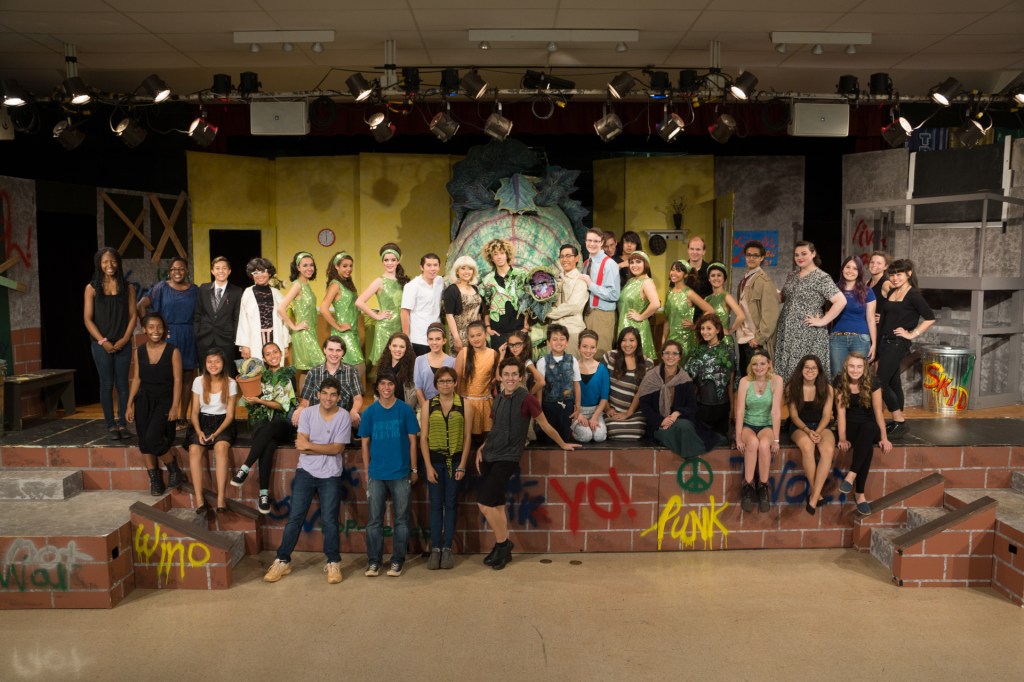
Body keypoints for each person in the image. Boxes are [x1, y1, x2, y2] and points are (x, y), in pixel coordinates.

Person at [476, 357, 580, 570]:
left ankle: (504, 544)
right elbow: (496, 427)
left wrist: (562, 444)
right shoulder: (499, 397)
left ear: (520, 376)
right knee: (497, 505)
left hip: (507, 457)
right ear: (501, 377)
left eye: (514, 374)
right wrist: (482, 447)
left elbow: (545, 425)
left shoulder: (527, 399)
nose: (510, 378)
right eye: (506, 374)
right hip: (489, 454)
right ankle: (501, 547)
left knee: (484, 504)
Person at [263, 377, 351, 585]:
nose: (328, 398)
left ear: (338, 397)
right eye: (325, 393)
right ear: (318, 394)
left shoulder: (343, 416)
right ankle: (282, 560)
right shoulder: (308, 413)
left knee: (329, 520)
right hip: (306, 471)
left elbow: (337, 449)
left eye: (333, 395)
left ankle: (333, 562)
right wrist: (323, 448)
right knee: (295, 517)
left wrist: (311, 446)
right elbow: (300, 445)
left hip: (330, 474)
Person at [359, 373, 420, 578]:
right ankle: (374, 562)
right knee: (374, 521)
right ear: (377, 387)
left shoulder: (405, 410)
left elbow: (413, 442)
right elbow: (365, 444)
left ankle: (397, 560)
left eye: (390, 384)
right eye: (383, 384)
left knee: (401, 520)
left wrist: (414, 469)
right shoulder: (369, 412)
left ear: (395, 386)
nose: (386, 387)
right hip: (376, 474)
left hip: (400, 473)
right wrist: (367, 471)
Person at [231, 342, 296, 514]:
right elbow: (250, 396)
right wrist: (249, 396)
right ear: (264, 358)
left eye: (275, 352)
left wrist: (260, 401)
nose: (273, 356)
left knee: (271, 426)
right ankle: (264, 494)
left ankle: (245, 468)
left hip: (282, 424)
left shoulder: (288, 376)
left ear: (281, 354)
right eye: (268, 354)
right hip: (264, 424)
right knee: (268, 443)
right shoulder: (260, 376)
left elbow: (282, 406)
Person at [125, 313, 185, 496]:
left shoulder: (173, 351)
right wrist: (129, 404)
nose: (156, 331)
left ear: (164, 329)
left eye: (159, 327)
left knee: (152, 438)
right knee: (144, 442)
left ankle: (174, 469)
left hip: (165, 401)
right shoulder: (139, 351)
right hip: (143, 400)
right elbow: (136, 379)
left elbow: (178, 381)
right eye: (151, 327)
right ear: (144, 329)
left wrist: (175, 406)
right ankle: (155, 479)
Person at [419, 366, 473, 570]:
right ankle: (435, 548)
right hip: (434, 462)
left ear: (455, 383)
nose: (446, 384)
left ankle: (447, 548)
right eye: (442, 381)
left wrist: (462, 465)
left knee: (450, 504)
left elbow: (467, 437)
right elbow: (423, 437)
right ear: (436, 384)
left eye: (449, 380)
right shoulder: (428, 405)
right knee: (435, 505)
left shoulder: (465, 405)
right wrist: (428, 466)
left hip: (455, 462)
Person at [877, 259, 935, 438]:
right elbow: (887, 316)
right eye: (892, 275)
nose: (895, 278)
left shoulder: (913, 295)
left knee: (877, 383)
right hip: (884, 342)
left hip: (897, 343)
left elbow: (930, 317)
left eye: (899, 274)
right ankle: (897, 423)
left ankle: (900, 421)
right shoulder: (892, 291)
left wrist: (912, 334)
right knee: (893, 382)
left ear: (909, 273)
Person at [84, 247, 137, 440]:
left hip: (123, 343)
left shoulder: (128, 287)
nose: (110, 265)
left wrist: (125, 339)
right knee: (106, 384)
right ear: (99, 264)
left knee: (122, 384)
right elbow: (87, 319)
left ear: (118, 263)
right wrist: (102, 341)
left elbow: (133, 316)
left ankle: (122, 424)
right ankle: (110, 425)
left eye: (113, 261)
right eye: (105, 262)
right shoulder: (91, 288)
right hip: (101, 344)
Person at [773, 240, 847, 381]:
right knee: (786, 369)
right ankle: (787, 395)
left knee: (806, 369)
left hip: (807, 332)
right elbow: (783, 298)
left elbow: (841, 301)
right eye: (796, 255)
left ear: (813, 254)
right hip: (787, 330)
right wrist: (768, 289)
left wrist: (823, 321)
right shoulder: (792, 275)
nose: (799, 257)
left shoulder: (821, 277)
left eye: (804, 254)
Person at [138, 256, 199, 425]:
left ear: (187, 271)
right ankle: (166, 414)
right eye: (174, 269)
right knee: (167, 376)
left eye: (181, 268)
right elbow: (140, 305)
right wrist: (148, 327)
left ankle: (182, 417)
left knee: (187, 376)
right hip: (169, 335)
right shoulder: (161, 287)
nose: (177, 272)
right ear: (169, 272)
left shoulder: (195, 290)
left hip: (188, 335)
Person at [638, 339, 719, 459]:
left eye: (675, 353)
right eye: (667, 353)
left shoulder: (685, 379)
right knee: (677, 433)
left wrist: (676, 414)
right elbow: (644, 405)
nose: (670, 356)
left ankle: (689, 452)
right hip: (658, 424)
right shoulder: (651, 377)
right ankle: (691, 454)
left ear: (679, 357)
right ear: (662, 356)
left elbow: (692, 406)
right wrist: (661, 421)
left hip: (679, 421)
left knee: (684, 426)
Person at [835, 353, 893, 516]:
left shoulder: (873, 382)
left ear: (865, 368)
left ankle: (851, 475)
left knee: (868, 429)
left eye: (859, 366)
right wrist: (842, 438)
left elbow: (878, 413)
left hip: (870, 426)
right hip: (850, 427)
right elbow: (841, 413)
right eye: (852, 366)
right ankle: (860, 494)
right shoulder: (839, 381)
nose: (855, 370)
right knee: (866, 448)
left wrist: (884, 438)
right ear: (846, 367)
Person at [184, 347, 238, 514]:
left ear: (223, 363)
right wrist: (199, 431)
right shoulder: (198, 381)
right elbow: (194, 413)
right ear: (205, 364)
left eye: (217, 361)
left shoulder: (231, 383)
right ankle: (199, 499)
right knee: (194, 449)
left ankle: (221, 498)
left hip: (223, 423)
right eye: (209, 362)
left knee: (221, 448)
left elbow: (230, 415)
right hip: (202, 422)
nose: (213, 365)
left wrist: (216, 434)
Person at [785, 355, 836, 515]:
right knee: (807, 446)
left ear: (819, 371)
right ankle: (816, 493)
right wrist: (808, 431)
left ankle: (813, 497)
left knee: (828, 450)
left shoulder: (827, 388)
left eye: (814, 368)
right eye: (807, 367)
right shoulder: (792, 387)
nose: (810, 371)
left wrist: (817, 432)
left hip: (821, 426)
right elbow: (794, 416)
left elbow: (826, 416)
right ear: (801, 369)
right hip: (800, 426)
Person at [735, 349, 784, 514]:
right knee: (753, 443)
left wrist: (776, 440)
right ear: (750, 366)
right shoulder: (745, 382)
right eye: (755, 364)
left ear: (769, 364)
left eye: (762, 363)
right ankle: (748, 486)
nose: (759, 367)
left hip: (766, 425)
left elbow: (776, 412)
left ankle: (763, 487)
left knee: (764, 445)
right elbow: (740, 411)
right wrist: (738, 438)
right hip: (748, 424)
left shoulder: (776, 381)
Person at [292, 336, 363, 431]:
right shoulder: (313, 372)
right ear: (324, 350)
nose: (334, 354)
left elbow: (357, 398)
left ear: (343, 352)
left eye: (338, 350)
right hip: (319, 419)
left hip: (343, 419)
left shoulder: (352, 372)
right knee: (296, 417)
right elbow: (306, 400)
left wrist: (354, 411)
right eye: (331, 349)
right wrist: (300, 409)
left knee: (366, 419)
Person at [355, 242, 408, 366]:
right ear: (382, 262)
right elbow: (359, 302)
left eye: (393, 260)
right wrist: (377, 316)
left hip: (400, 326)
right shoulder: (379, 281)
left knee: (400, 364)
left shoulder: (403, 281)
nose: (389, 263)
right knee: (384, 363)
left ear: (398, 261)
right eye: (386, 260)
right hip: (385, 327)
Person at [684, 313, 734, 441]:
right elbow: (689, 380)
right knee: (701, 440)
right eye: (702, 328)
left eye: (709, 328)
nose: (705, 332)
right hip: (702, 406)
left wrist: (733, 408)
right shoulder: (696, 351)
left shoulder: (728, 351)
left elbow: (732, 381)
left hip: (722, 406)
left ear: (717, 330)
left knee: (721, 441)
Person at [319, 251, 365, 387]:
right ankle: (341, 393)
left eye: (350, 266)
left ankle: (344, 395)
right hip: (344, 334)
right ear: (336, 266)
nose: (348, 269)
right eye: (345, 266)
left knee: (349, 368)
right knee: (358, 365)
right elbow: (323, 308)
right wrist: (338, 326)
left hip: (352, 331)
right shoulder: (335, 285)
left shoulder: (346, 283)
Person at [735, 240, 780, 379]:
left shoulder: (764, 282)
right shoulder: (745, 279)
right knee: (745, 377)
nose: (751, 258)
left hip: (755, 340)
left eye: (755, 255)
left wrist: (759, 339)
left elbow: (770, 315)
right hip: (743, 337)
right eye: (748, 255)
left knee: (758, 379)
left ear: (762, 258)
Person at [277, 251, 325, 378]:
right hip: (303, 334)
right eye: (305, 265)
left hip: (311, 332)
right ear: (298, 267)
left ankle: (305, 392)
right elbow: (281, 308)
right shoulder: (297, 285)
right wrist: (294, 326)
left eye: (311, 265)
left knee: (307, 370)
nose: (309, 268)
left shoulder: (306, 285)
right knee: (319, 365)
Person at [194, 256, 241, 377]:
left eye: (224, 268)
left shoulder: (236, 291)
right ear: (212, 271)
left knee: (228, 372)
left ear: (229, 271)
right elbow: (197, 313)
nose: (221, 271)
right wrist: (197, 334)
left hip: (226, 338)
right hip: (204, 337)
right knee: (205, 372)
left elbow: (236, 317)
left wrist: (235, 338)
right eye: (217, 268)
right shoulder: (203, 288)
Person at [479, 238, 530, 351]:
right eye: (495, 254)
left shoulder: (521, 275)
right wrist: (488, 327)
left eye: (502, 253)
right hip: (498, 333)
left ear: (507, 254)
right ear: (491, 258)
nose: (499, 257)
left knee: (520, 361)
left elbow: (529, 301)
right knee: (500, 361)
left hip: (519, 330)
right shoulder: (487, 280)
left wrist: (526, 325)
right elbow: (485, 306)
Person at [830, 256, 877, 378]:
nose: (850, 271)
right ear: (842, 269)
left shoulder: (867, 291)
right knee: (837, 377)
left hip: (860, 340)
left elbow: (871, 319)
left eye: (855, 268)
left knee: (860, 377)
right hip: (837, 339)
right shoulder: (833, 289)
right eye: (848, 267)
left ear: (859, 272)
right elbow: (828, 313)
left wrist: (874, 344)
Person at [535, 324, 582, 445]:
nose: (558, 342)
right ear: (549, 342)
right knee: (548, 439)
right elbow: (539, 388)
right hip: (548, 405)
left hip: (567, 405)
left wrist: (577, 406)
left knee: (565, 436)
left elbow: (576, 384)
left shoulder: (572, 360)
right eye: (554, 339)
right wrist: (539, 407)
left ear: (567, 342)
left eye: (562, 339)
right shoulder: (542, 362)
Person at [603, 327, 652, 440]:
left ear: (638, 342)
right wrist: (607, 409)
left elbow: (641, 392)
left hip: (634, 412)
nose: (627, 344)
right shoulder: (610, 357)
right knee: (614, 431)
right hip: (611, 410)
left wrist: (628, 413)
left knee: (636, 433)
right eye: (624, 340)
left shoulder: (647, 363)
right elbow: (601, 386)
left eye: (632, 340)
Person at [236, 257, 290, 362]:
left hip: (275, 337)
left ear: (269, 273)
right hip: (254, 340)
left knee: (276, 368)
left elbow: (284, 321)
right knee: (256, 368)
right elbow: (243, 320)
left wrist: (285, 344)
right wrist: (244, 345)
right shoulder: (247, 293)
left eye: (263, 271)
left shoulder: (277, 293)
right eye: (255, 272)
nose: (259, 275)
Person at [663, 260, 714, 364]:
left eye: (678, 271)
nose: (674, 273)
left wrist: (696, 325)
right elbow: (667, 319)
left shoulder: (689, 293)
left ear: (685, 275)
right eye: (672, 270)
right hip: (671, 339)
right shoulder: (669, 293)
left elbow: (710, 310)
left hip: (686, 341)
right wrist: (663, 340)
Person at [581, 227, 620, 360]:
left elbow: (614, 294)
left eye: (596, 241)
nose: (592, 244)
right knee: (587, 357)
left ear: (602, 242)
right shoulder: (586, 263)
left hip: (602, 315)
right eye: (589, 240)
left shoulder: (609, 264)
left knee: (601, 356)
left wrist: (591, 285)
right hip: (587, 314)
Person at [455, 321, 498, 438]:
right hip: (465, 402)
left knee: (485, 438)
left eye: (479, 335)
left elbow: (496, 376)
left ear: (485, 334)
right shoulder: (463, 353)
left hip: (485, 403)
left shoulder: (493, 354)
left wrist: (490, 386)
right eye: (472, 336)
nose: (476, 339)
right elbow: (457, 380)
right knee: (466, 438)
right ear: (468, 338)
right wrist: (458, 403)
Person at [545, 244, 588, 356]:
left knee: (571, 365)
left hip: (571, 330)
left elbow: (573, 306)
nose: (564, 259)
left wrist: (547, 312)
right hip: (553, 331)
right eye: (562, 256)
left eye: (568, 256)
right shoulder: (555, 279)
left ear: (577, 258)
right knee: (551, 365)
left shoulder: (580, 280)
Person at [617, 251, 660, 360]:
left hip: (636, 329)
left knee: (637, 362)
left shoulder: (647, 282)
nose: (634, 265)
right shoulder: (631, 280)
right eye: (631, 262)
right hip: (624, 326)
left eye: (638, 262)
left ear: (646, 264)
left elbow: (656, 304)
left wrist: (641, 317)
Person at [401, 252, 444, 356]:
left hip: (437, 336)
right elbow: (404, 312)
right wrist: (406, 339)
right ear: (421, 267)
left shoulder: (440, 281)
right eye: (428, 265)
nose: (432, 268)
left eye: (435, 265)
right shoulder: (412, 286)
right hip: (419, 339)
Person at [572, 330, 609, 443]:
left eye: (592, 347)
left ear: (596, 349)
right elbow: (568, 395)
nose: (588, 351)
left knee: (599, 436)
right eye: (585, 346)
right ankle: (570, 431)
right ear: (579, 347)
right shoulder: (572, 367)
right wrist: (578, 414)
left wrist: (595, 417)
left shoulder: (602, 369)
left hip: (596, 411)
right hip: (577, 411)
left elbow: (604, 398)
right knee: (586, 436)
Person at [442, 255, 484, 354]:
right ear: (457, 271)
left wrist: (481, 333)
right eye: (463, 268)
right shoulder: (451, 290)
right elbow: (449, 316)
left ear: (473, 271)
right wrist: (456, 338)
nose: (467, 272)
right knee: (461, 361)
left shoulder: (475, 288)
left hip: (476, 334)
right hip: (460, 335)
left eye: (470, 269)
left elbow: (478, 312)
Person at [705, 262, 745, 355]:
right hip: (709, 341)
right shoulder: (707, 299)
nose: (716, 278)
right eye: (713, 275)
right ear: (709, 279)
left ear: (724, 278)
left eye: (719, 275)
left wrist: (730, 330)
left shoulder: (726, 296)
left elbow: (741, 316)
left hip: (723, 342)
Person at [414, 322, 456, 405]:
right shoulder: (419, 360)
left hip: (448, 406)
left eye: (438, 339)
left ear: (444, 341)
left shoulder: (453, 362)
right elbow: (418, 388)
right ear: (427, 340)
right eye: (431, 339)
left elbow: (455, 387)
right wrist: (425, 408)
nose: (434, 342)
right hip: (425, 405)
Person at [376, 332, 418, 411]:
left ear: (406, 349)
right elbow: (377, 393)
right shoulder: (382, 367)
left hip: (405, 411)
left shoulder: (413, 369)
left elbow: (413, 398)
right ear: (389, 346)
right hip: (384, 410)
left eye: (401, 347)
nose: (398, 349)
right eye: (394, 346)